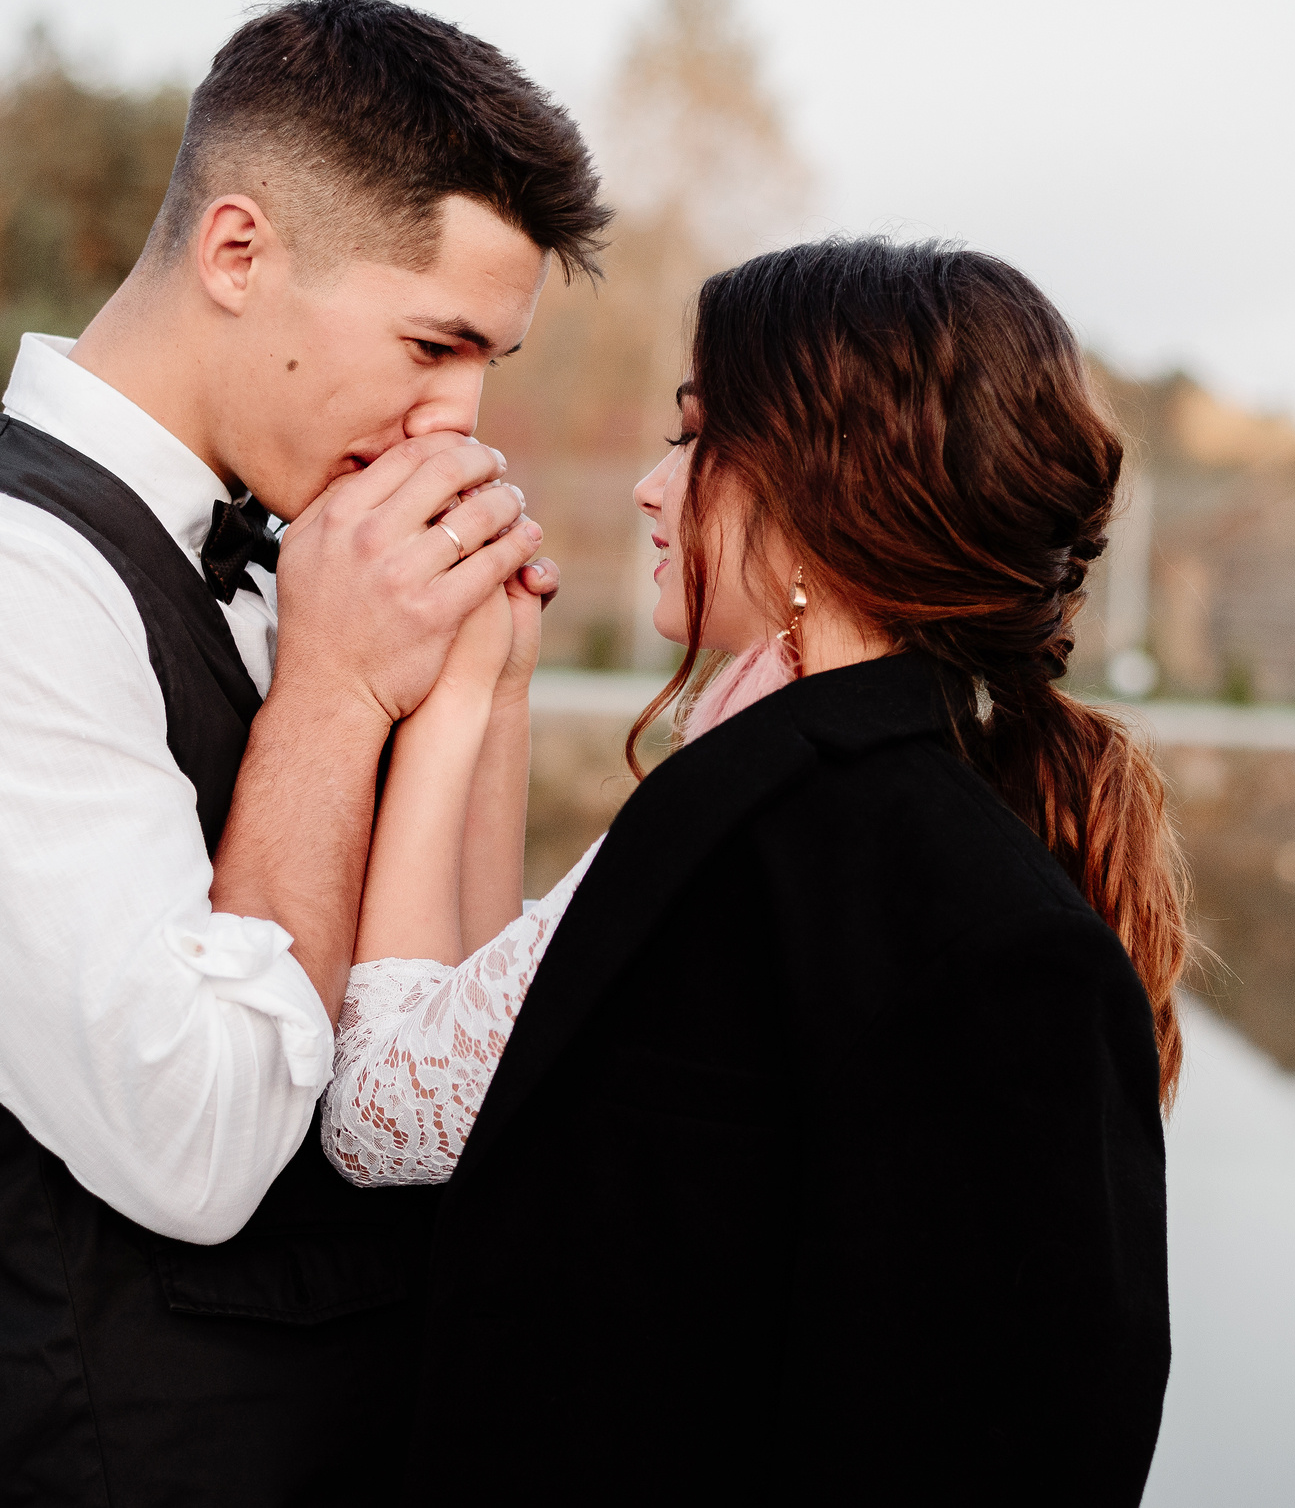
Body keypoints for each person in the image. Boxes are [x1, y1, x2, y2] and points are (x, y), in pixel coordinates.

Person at [0, 0, 608, 1504]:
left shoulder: (302, 557)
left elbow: (427, 1072)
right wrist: (333, 694)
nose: (457, 423)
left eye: (488, 363)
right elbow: (200, 1145)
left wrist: (482, 694)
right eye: (433, 344)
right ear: (236, 252)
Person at [322, 237, 1187, 1499]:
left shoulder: (762, 816)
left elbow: (382, 1109)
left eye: (693, 438)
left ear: (816, 495)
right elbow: (498, 1072)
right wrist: (488, 692)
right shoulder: (831, 802)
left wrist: (433, 700)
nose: (650, 487)